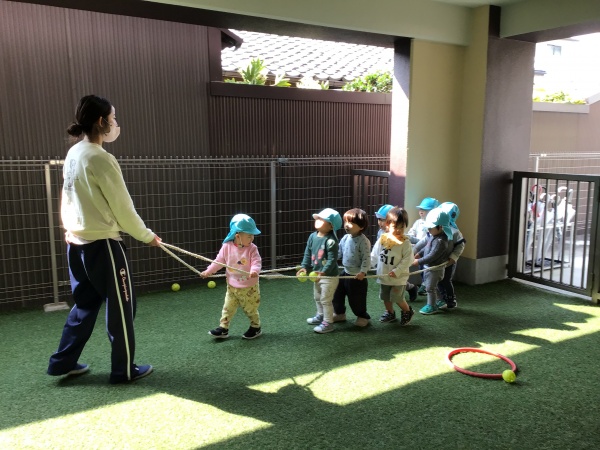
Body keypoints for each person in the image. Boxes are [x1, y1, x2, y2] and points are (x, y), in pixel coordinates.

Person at [47, 95, 161, 384]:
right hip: (104, 246)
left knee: (84, 305)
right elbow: (123, 208)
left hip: (76, 243)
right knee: (122, 307)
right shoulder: (101, 158)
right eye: (113, 118)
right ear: (101, 122)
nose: (115, 123)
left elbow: (68, 198)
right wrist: (147, 236)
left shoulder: (75, 152)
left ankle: (62, 363)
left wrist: (71, 228)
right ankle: (124, 371)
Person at [201, 214, 263, 340]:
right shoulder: (227, 247)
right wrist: (208, 271)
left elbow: (256, 261)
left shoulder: (252, 248)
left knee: (250, 309)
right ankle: (223, 328)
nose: (252, 238)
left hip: (249, 287)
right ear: (237, 235)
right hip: (232, 286)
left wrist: (254, 270)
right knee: (228, 308)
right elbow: (219, 261)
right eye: (249, 236)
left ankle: (256, 327)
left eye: (253, 235)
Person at [296, 208, 342, 334]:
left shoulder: (331, 241)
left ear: (331, 226)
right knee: (317, 297)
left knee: (325, 300)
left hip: (329, 277)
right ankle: (320, 316)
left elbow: (332, 259)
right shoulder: (312, 236)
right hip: (316, 275)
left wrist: (324, 272)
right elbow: (307, 253)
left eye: (322, 219)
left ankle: (328, 323)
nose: (317, 220)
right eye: (318, 218)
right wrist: (304, 267)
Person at [370, 206, 415, 325]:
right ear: (387, 225)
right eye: (395, 227)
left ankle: (407, 311)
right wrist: (367, 266)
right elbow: (374, 255)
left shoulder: (405, 243)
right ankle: (390, 312)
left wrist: (397, 271)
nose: (398, 230)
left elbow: (408, 260)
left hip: (398, 278)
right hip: (384, 275)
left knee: (397, 297)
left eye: (402, 227)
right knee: (385, 296)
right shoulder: (382, 239)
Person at [332, 208, 372, 327]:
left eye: (351, 223)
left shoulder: (364, 241)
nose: (346, 225)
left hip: (357, 276)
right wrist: (331, 258)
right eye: (345, 221)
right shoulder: (345, 238)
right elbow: (339, 252)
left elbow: (366, 258)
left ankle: (362, 316)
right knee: (336, 294)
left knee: (356, 299)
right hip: (345, 272)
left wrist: (363, 272)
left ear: (361, 226)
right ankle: (339, 313)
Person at [412, 208, 452, 315]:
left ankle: (432, 305)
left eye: (431, 227)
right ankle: (440, 300)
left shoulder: (440, 241)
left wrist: (419, 261)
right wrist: (420, 253)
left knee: (430, 288)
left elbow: (432, 255)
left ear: (441, 226)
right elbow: (427, 247)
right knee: (433, 286)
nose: (428, 229)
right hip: (430, 268)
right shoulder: (434, 236)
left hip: (435, 269)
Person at [407, 197, 440, 296]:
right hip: (418, 249)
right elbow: (411, 233)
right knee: (422, 268)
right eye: (420, 209)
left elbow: (427, 240)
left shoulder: (434, 225)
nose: (421, 211)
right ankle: (424, 284)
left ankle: (426, 285)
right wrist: (409, 238)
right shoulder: (418, 222)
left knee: (427, 268)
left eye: (425, 210)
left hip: (428, 250)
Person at [436, 202, 466, 310]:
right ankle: (441, 299)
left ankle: (451, 299)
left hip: (449, 262)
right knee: (438, 280)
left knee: (446, 280)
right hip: (439, 260)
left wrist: (453, 258)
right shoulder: (438, 228)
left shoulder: (455, 232)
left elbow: (460, 245)